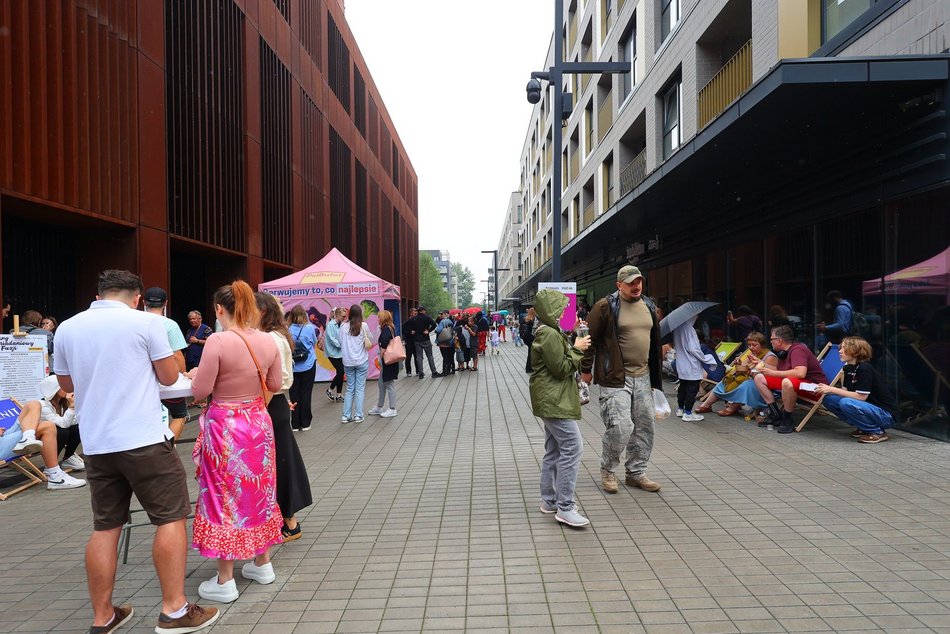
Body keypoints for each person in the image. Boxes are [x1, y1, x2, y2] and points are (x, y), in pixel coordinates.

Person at [54, 269, 219, 633]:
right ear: (138, 297)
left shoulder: (67, 327)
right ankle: (174, 609)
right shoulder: (146, 324)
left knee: (106, 527)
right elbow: (167, 376)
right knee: (170, 517)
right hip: (143, 438)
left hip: (97, 443)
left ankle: (103, 617)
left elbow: (65, 383)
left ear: (98, 294)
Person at [188, 281, 283, 604]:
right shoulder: (270, 341)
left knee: (222, 495)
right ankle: (262, 562)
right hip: (258, 424)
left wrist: (195, 376)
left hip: (226, 427)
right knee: (259, 491)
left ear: (219, 309)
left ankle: (225, 579)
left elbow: (200, 391)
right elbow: (274, 383)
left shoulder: (217, 341)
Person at [581, 265, 663, 494]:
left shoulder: (649, 305)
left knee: (645, 427)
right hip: (615, 377)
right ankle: (608, 470)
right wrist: (586, 369)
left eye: (639, 282)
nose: (636, 286)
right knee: (620, 426)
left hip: (643, 377)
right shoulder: (605, 306)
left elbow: (654, 340)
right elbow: (587, 337)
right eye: (630, 283)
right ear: (619, 285)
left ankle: (636, 473)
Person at [530, 288, 592, 528]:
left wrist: (571, 334)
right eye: (560, 309)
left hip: (549, 399)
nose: (564, 312)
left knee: (554, 449)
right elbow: (561, 368)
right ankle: (565, 507)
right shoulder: (549, 335)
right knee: (573, 448)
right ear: (550, 310)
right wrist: (578, 347)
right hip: (554, 399)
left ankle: (550, 501)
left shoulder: (548, 331)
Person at [254, 292, 313, 542]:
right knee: (282, 459)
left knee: (281, 462)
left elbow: (272, 379)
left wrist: (257, 407)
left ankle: (289, 521)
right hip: (274, 401)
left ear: (263, 312)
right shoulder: (276, 335)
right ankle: (286, 519)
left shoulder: (270, 338)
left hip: (269, 401)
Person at [4, 375, 86, 489]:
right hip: (6, 442)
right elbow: (64, 424)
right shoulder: (44, 405)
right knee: (40, 412)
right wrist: (71, 408)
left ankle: (28, 438)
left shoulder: (61, 404)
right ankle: (54, 475)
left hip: (9, 435)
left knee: (41, 415)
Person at [814, 336, 898, 444]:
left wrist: (831, 388)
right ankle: (863, 427)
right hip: (868, 408)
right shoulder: (848, 368)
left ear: (855, 351)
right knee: (829, 399)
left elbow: (861, 397)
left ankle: (877, 432)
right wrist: (825, 389)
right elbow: (845, 392)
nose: (840, 351)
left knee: (846, 402)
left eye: (844, 348)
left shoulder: (865, 368)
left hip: (885, 414)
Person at [753, 325, 828, 433]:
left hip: (816, 388)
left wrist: (773, 373)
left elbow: (800, 373)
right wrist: (761, 363)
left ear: (779, 340)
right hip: (799, 384)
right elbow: (778, 370)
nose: (771, 342)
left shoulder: (798, 350)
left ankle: (787, 419)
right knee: (759, 377)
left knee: (787, 382)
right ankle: (775, 413)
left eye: (772, 339)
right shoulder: (784, 352)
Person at [695, 332, 779, 416]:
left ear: (762, 345)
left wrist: (751, 370)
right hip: (751, 380)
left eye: (754, 345)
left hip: (765, 388)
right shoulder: (751, 354)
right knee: (726, 380)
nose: (751, 348)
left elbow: (768, 376)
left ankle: (733, 408)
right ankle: (706, 405)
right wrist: (738, 364)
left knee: (747, 384)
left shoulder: (770, 357)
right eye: (749, 345)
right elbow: (742, 370)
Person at [144, 287, 189, 440]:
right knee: (179, 415)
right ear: (166, 303)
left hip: (141, 382)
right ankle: (167, 449)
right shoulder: (170, 325)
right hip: (166, 381)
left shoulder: (134, 322)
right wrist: (184, 376)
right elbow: (177, 355)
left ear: (143, 302)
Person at [672, 317, 717, 422]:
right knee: (692, 389)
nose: (697, 317)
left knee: (683, 387)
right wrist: (704, 357)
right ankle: (688, 412)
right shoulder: (690, 329)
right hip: (691, 364)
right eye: (696, 315)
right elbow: (694, 349)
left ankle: (680, 409)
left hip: (682, 363)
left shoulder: (678, 328)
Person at [340, 303, 372, 423]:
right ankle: (358, 415)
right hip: (361, 361)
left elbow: (340, 342)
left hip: (348, 362)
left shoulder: (343, 327)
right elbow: (370, 339)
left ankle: (346, 415)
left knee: (349, 388)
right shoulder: (363, 325)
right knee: (359, 389)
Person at [288, 305, 318, 431]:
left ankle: (295, 423)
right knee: (306, 393)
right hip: (308, 364)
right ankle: (305, 423)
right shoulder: (310, 328)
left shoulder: (287, 329)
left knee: (294, 394)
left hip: (293, 366)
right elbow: (314, 342)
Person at [368, 309, 399, 418]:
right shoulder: (390, 328)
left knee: (389, 384)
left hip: (387, 361)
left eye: (379, 317)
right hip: (388, 361)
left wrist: (380, 356)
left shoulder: (386, 329)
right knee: (382, 383)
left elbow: (384, 344)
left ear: (383, 318)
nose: (378, 319)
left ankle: (392, 408)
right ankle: (379, 407)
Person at [408, 306, 438, 379]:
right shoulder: (427, 317)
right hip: (425, 339)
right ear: (423, 311)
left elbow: (405, 325)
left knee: (419, 357)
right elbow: (434, 324)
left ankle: (420, 372)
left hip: (416, 340)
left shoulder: (413, 318)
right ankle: (434, 372)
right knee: (430, 356)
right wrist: (428, 331)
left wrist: (411, 331)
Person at [324, 307, 346, 402]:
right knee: (341, 371)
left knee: (340, 372)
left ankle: (339, 394)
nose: (344, 318)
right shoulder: (330, 325)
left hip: (340, 352)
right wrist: (341, 345)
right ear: (337, 315)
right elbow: (331, 338)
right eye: (343, 316)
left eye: (345, 316)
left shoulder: (343, 324)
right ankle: (330, 389)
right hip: (332, 353)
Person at [434, 310, 456, 376]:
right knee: (450, 356)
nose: (441, 315)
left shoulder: (443, 321)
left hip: (443, 342)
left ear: (445, 314)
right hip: (450, 341)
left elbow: (438, 330)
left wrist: (435, 330)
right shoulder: (451, 321)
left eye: (442, 314)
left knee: (445, 356)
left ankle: (445, 371)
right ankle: (451, 369)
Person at [402, 307, 417, 377]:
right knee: (408, 357)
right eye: (414, 313)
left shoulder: (417, 321)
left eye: (416, 313)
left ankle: (418, 371)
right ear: (411, 313)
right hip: (409, 341)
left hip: (416, 341)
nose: (416, 314)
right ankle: (408, 371)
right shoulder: (406, 322)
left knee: (417, 357)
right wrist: (410, 332)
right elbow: (404, 330)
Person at [521, 307, 537, 372]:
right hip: (531, 337)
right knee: (531, 352)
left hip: (526, 338)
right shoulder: (532, 320)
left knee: (530, 351)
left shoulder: (525, 318)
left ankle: (529, 367)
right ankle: (529, 368)